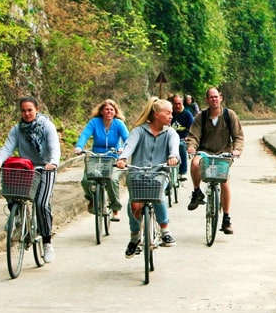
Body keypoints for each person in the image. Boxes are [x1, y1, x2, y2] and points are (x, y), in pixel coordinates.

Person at [0, 96, 61, 263]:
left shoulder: (47, 126)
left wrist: (53, 162)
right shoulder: (17, 129)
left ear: (36, 109)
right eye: (23, 110)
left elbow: (54, 147)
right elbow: (7, 147)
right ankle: (18, 217)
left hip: (45, 169)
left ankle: (47, 242)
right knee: (11, 191)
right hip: (27, 169)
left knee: (41, 203)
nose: (27, 113)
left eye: (30, 110)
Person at [115, 97, 180, 257]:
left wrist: (173, 157)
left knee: (158, 195)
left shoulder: (170, 133)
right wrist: (123, 158)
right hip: (138, 173)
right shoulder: (139, 131)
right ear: (157, 114)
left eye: (171, 113)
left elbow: (174, 148)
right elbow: (129, 145)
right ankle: (134, 236)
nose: (171, 116)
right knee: (134, 205)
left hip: (159, 173)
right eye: (168, 113)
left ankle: (165, 230)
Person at [186, 87, 244, 234]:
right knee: (194, 163)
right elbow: (193, 135)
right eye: (211, 97)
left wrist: (237, 150)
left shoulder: (229, 115)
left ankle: (226, 218)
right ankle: (197, 192)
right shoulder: (201, 116)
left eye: (216, 96)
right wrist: (192, 147)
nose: (214, 99)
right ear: (207, 100)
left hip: (224, 153)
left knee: (224, 182)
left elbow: (238, 136)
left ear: (221, 98)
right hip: (205, 152)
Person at [73, 99, 130, 221]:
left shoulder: (119, 124)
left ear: (115, 112)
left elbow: (128, 139)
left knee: (112, 180)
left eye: (111, 110)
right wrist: (79, 147)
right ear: (101, 111)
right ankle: (92, 199)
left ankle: (115, 208)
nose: (109, 112)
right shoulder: (94, 122)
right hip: (96, 157)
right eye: (106, 109)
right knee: (86, 181)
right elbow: (84, 135)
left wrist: (123, 150)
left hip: (112, 157)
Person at [169, 94, 195, 180]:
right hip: (169, 139)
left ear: (182, 103)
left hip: (182, 139)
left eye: (179, 103)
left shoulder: (187, 114)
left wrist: (188, 138)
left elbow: (192, 129)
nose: (177, 106)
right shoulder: (169, 113)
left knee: (181, 146)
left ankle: (183, 172)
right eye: (175, 104)